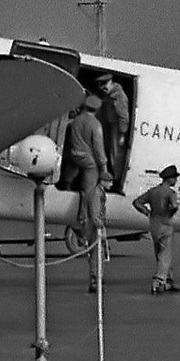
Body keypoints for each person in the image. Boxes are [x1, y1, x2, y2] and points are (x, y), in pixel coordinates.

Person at [62, 95, 112, 287]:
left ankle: (66, 182)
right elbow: (99, 149)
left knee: (72, 170)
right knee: (89, 189)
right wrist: (104, 167)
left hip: (74, 155)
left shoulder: (75, 122)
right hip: (87, 159)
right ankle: (83, 215)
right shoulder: (95, 125)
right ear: (97, 109)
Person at [133, 165, 180, 295]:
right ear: (169, 179)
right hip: (166, 224)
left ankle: (168, 281)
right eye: (175, 178)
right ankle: (158, 281)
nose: (176, 180)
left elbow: (137, 202)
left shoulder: (153, 191)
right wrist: (171, 212)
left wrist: (146, 211)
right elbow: (174, 206)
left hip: (154, 224)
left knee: (160, 253)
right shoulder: (171, 193)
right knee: (165, 255)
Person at [93, 73, 131, 179]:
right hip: (109, 125)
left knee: (116, 154)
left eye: (105, 84)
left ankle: (116, 178)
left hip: (117, 128)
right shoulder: (108, 94)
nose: (103, 88)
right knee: (109, 152)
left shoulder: (119, 96)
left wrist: (122, 134)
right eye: (101, 85)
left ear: (111, 83)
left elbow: (123, 116)